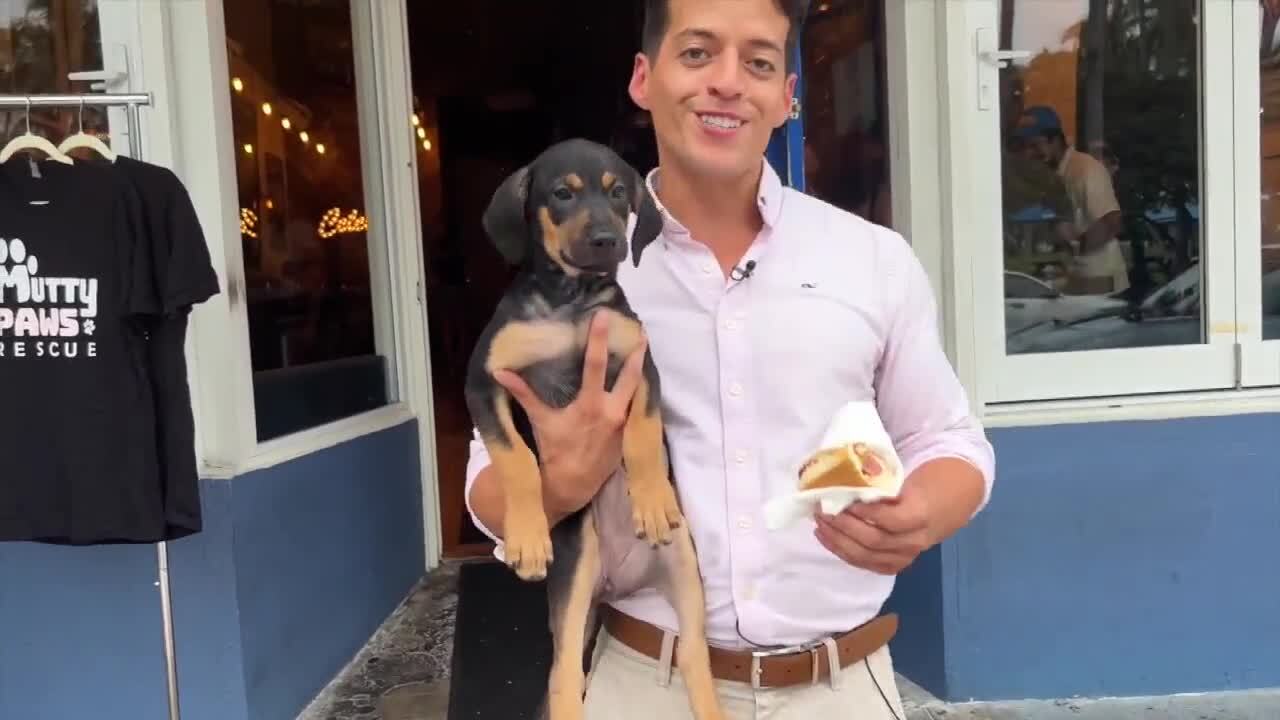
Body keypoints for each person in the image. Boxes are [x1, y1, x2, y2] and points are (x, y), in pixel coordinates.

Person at [464, 0, 996, 717]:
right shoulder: (572, 276)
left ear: (788, 95)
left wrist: (922, 511)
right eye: (697, 53)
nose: (727, 82)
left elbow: (948, 440)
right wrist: (562, 479)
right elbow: (488, 491)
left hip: (843, 687)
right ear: (643, 79)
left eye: (760, 62)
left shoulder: (871, 259)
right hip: (644, 684)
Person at [1016, 105, 1129, 295]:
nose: (1030, 153)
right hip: (1079, 273)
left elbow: (1112, 222)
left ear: (1055, 141)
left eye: (1036, 145)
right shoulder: (1054, 175)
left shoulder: (1086, 169)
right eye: (1026, 147)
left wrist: (1078, 246)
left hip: (1099, 276)